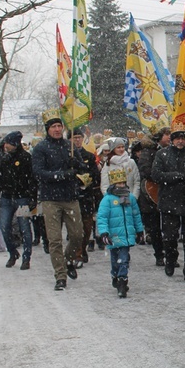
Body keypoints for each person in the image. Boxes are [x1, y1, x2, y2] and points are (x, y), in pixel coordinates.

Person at [31, 109, 86, 291]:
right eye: (53, 126)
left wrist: (77, 164)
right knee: (54, 240)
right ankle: (60, 275)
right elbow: (39, 173)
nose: (56, 129)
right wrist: (62, 175)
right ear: (47, 128)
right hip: (50, 199)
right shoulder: (40, 149)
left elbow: (83, 169)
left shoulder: (68, 146)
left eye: (59, 126)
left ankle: (69, 259)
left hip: (70, 197)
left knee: (78, 235)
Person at [151, 121, 185, 281]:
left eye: (183, 137)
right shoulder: (162, 154)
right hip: (169, 201)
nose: (180, 141)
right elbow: (156, 175)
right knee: (170, 237)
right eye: (177, 138)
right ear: (171, 139)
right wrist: (177, 176)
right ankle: (170, 259)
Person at [97, 167, 144, 298]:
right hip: (114, 235)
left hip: (126, 235)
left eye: (123, 183)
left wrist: (139, 230)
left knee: (124, 259)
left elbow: (136, 215)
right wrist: (104, 233)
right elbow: (102, 217)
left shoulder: (130, 198)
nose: (121, 185)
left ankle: (122, 280)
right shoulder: (107, 200)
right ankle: (115, 275)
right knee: (115, 259)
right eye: (119, 183)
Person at [0, 131, 36, 270]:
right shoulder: (3, 158)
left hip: (22, 198)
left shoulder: (26, 158)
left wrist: (32, 198)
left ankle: (26, 257)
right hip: (6, 197)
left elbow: (32, 180)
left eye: (8, 143)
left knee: (24, 228)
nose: (6, 145)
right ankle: (12, 252)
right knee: (4, 227)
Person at [136, 125, 170, 266]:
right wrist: (163, 176)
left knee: (169, 227)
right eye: (167, 134)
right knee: (155, 227)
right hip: (151, 194)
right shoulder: (148, 152)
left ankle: (170, 254)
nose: (169, 137)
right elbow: (146, 171)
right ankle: (159, 254)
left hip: (168, 193)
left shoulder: (169, 151)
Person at [71, 128, 100, 267]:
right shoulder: (67, 156)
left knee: (87, 226)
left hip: (86, 195)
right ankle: (77, 253)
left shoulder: (88, 155)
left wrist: (85, 181)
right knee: (75, 227)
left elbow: (95, 174)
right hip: (72, 196)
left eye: (79, 137)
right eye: (74, 137)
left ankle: (83, 247)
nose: (77, 140)